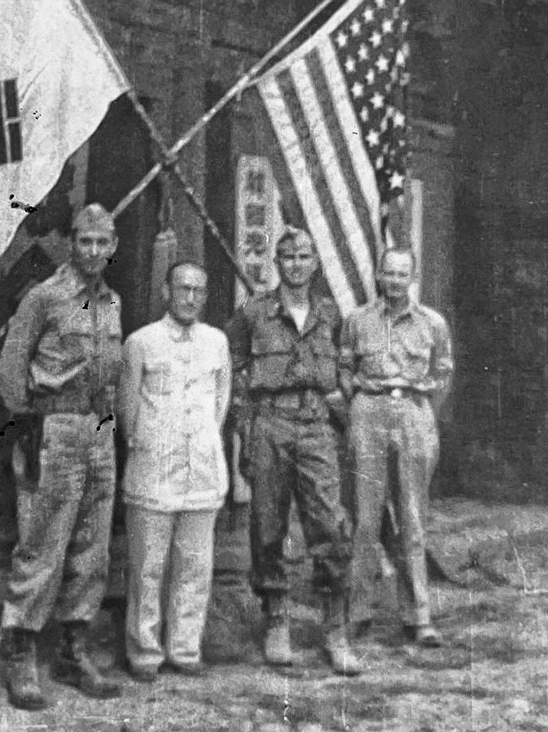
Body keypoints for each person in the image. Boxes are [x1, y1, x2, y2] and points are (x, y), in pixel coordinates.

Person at [0, 203, 123, 710]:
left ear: (113, 247)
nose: (93, 250)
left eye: (102, 242)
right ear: (72, 244)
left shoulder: (111, 302)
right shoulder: (44, 297)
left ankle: (73, 649)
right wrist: (27, 422)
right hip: (56, 427)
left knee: (92, 548)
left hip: (99, 428)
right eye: (84, 241)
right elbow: (11, 366)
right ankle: (20, 651)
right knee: (42, 545)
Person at [226, 227, 361, 675]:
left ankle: (335, 627)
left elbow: (347, 365)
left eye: (304, 257)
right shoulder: (253, 313)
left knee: (329, 524)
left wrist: (340, 396)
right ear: (276, 263)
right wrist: (246, 429)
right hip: (270, 423)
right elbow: (235, 371)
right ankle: (277, 618)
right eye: (288, 257)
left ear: (316, 263)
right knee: (268, 524)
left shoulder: (331, 314)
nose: (296, 265)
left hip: (316, 426)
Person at [118, 258, 231, 680]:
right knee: (147, 567)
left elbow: (221, 402)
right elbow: (127, 410)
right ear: (166, 292)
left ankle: (185, 649)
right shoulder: (141, 342)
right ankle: (144, 652)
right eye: (183, 288)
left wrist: (201, 440)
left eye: (198, 290)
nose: (190, 297)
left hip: (201, 469)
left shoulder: (216, 342)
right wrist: (151, 443)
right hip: (153, 469)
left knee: (195, 567)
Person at [340, 247, 454, 647]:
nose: (394, 281)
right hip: (369, 412)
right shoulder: (357, 321)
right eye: (388, 273)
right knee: (365, 519)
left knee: (412, 518)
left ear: (413, 278)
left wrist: (420, 412)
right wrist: (359, 403)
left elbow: (443, 372)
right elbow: (345, 368)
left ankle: (418, 617)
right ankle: (358, 611)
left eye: (402, 274)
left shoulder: (432, 324)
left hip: (413, 413)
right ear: (378, 275)